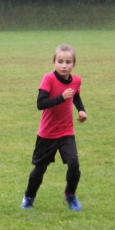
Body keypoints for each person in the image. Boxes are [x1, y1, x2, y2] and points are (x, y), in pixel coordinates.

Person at [22, 44, 88, 211]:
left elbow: (76, 96)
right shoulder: (48, 79)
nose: (64, 66)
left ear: (74, 64)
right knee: (40, 169)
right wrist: (61, 97)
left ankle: (70, 195)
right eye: (60, 61)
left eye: (68, 62)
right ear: (54, 62)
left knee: (74, 164)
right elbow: (40, 104)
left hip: (66, 131)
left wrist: (81, 110)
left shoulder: (76, 81)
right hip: (47, 133)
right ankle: (29, 197)